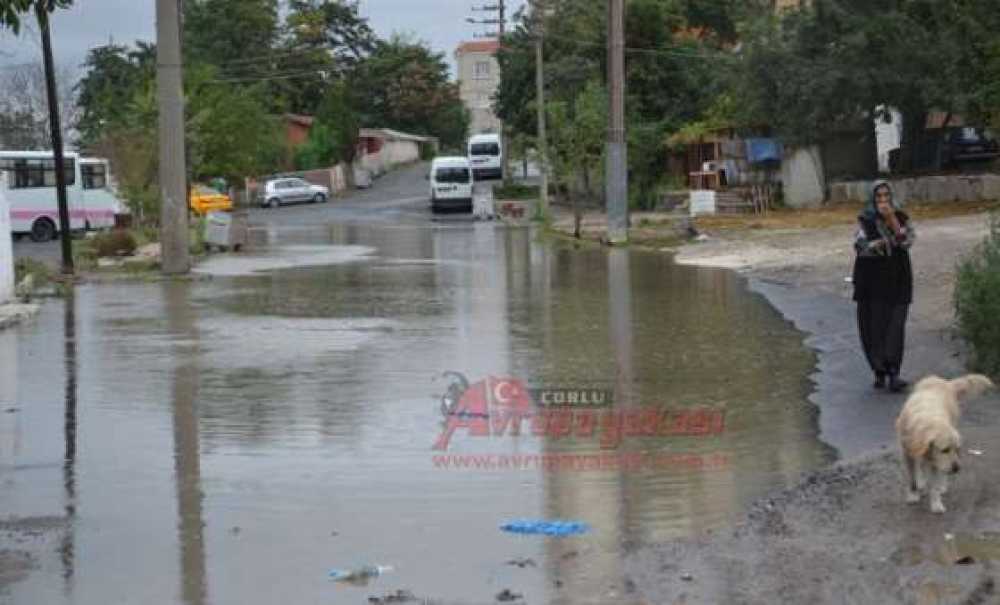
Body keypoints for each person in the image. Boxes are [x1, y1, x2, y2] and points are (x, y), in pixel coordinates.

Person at [852, 181, 915, 393]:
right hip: (872, 280)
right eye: (878, 197)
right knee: (874, 325)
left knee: (896, 324)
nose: (883, 201)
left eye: (886, 196)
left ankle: (894, 372)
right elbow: (859, 246)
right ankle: (879, 370)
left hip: (898, 276)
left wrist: (892, 220)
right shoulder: (865, 220)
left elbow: (906, 241)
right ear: (872, 199)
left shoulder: (901, 217)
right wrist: (873, 245)